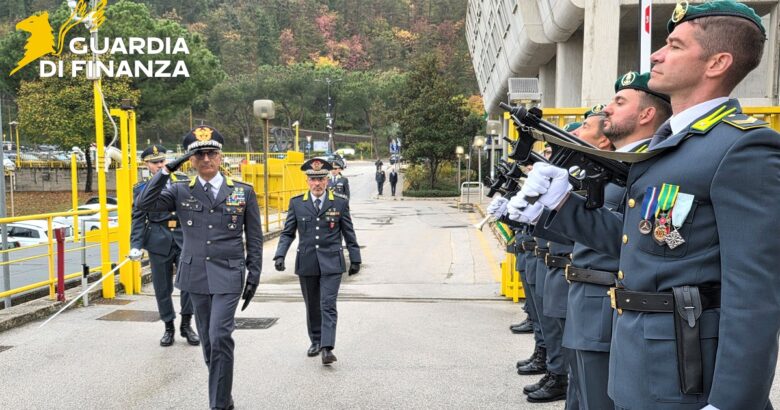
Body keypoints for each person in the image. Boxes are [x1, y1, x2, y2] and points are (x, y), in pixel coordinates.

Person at [512, 3, 780, 409]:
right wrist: (560, 203)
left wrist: (732, 402)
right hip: (636, 356)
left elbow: (755, 293)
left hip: (684, 373)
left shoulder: (742, 147)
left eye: (674, 45)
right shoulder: (669, 145)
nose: (656, 54)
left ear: (717, 63)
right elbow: (640, 243)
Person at [136, 126, 262, 410]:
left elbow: (254, 238)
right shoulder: (179, 190)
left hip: (229, 273)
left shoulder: (242, 192)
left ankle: (217, 405)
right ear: (191, 160)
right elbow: (144, 203)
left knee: (220, 335)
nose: (206, 159)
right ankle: (224, 396)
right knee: (207, 340)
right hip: (195, 275)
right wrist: (166, 170)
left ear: (221, 157)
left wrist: (254, 273)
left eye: (211, 153)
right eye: (199, 154)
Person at [274, 158, 362, 365]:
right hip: (307, 262)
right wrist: (280, 254)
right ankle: (315, 340)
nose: (317, 183)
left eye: (321, 179)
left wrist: (355, 258)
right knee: (312, 304)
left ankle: (327, 347)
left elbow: (348, 232)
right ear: (307, 181)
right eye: (313, 179)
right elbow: (288, 233)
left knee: (327, 304)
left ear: (327, 180)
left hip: (332, 262)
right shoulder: (297, 203)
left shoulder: (339, 202)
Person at [129, 145, 199, 347]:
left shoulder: (184, 181)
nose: (160, 165)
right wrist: (136, 244)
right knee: (162, 287)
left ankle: (187, 324)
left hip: (184, 236)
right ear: (147, 165)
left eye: (162, 161)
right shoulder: (142, 188)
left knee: (189, 283)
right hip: (158, 239)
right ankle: (168, 326)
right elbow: (138, 217)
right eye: (155, 162)